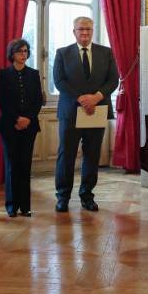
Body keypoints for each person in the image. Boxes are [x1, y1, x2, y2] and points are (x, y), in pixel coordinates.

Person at [52, 16, 119, 213]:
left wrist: (96, 97)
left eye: (88, 29)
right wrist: (82, 98)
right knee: (66, 155)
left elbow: (113, 80)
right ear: (74, 32)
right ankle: (62, 197)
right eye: (81, 29)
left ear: (93, 31)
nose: (85, 33)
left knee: (92, 155)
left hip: (97, 111)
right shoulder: (62, 53)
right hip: (71, 111)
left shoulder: (106, 53)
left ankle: (87, 196)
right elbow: (59, 81)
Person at [0, 38, 43, 217]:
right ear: (12, 54)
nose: (23, 54)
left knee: (25, 165)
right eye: (19, 51)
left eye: (25, 51)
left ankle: (25, 206)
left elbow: (38, 100)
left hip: (30, 125)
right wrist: (17, 118)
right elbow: (3, 101)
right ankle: (11, 205)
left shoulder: (33, 74)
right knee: (11, 165)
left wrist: (28, 118)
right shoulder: (3, 74)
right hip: (9, 125)